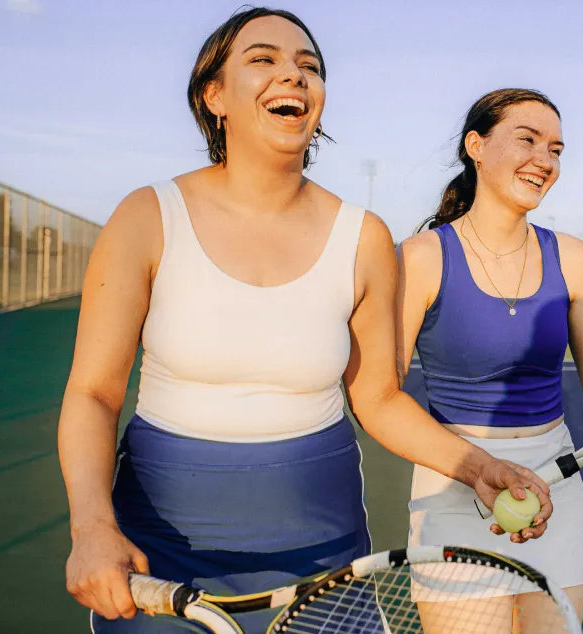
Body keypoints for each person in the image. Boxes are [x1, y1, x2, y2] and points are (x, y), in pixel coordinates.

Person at [58, 10, 551, 632]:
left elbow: (376, 398)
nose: (292, 75)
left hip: (325, 551)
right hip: (160, 547)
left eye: (309, 67)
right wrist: (92, 527)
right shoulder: (146, 217)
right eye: (262, 60)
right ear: (215, 96)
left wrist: (481, 467)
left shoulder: (363, 237)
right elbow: (94, 394)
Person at [396, 88, 583, 625]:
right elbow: (382, 395)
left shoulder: (573, 257)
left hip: (556, 486)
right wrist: (474, 466)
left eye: (557, 149)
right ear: (476, 145)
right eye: (528, 140)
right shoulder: (422, 257)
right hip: (452, 485)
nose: (545, 160)